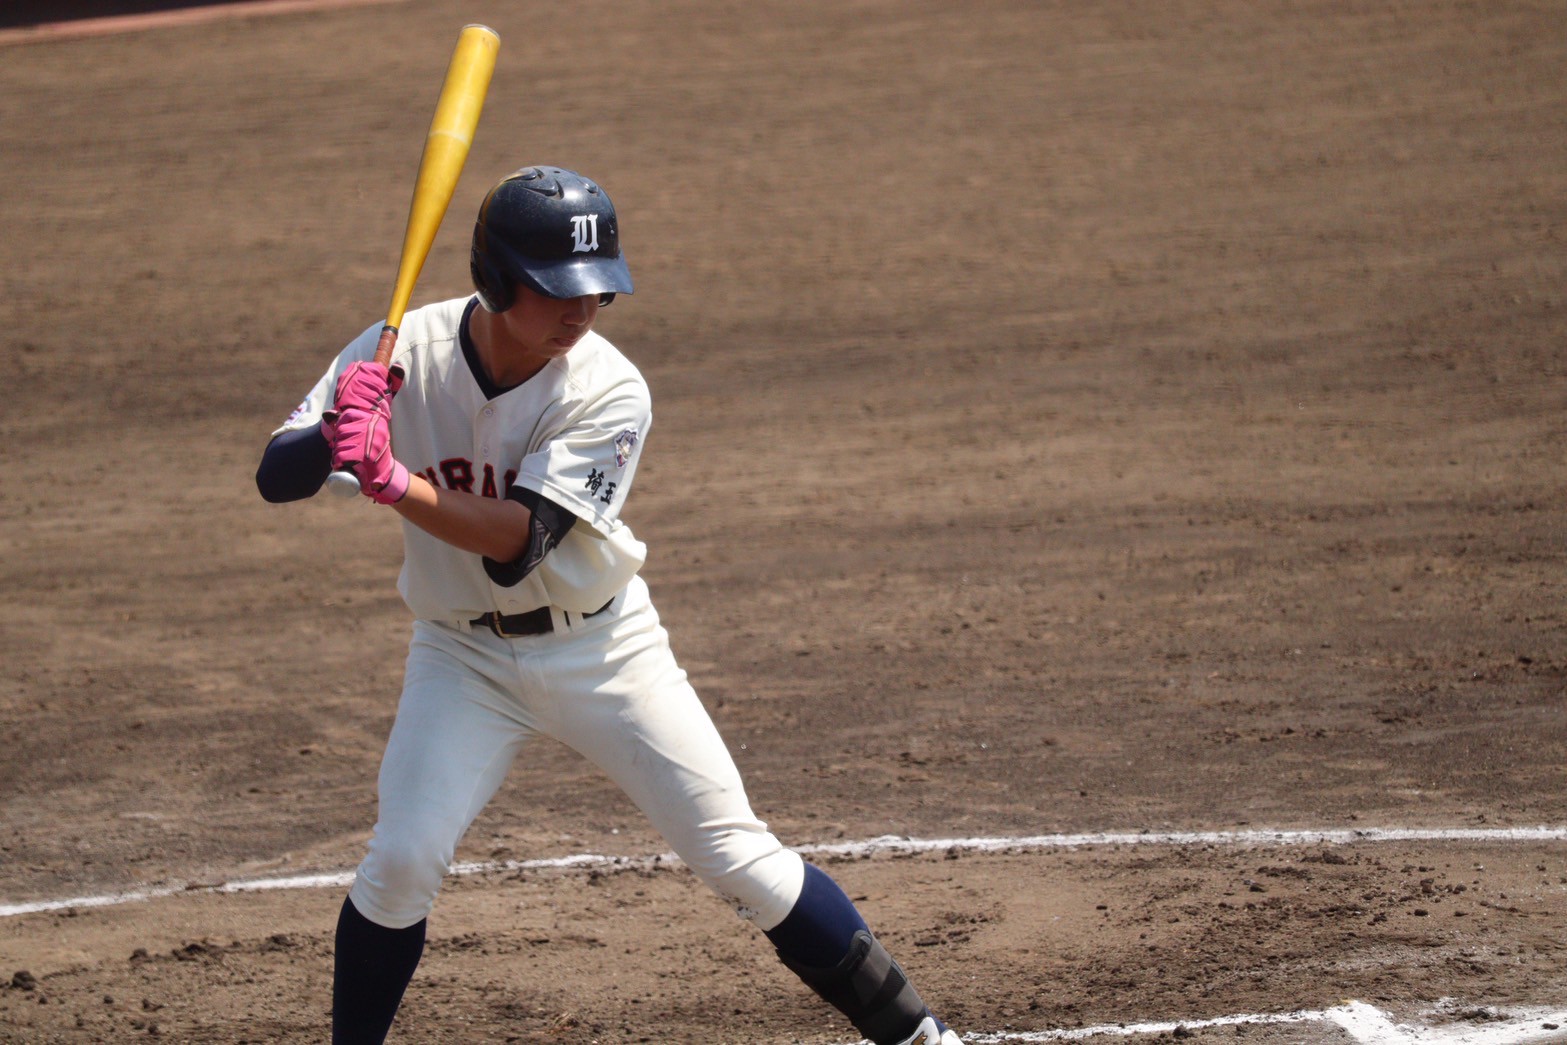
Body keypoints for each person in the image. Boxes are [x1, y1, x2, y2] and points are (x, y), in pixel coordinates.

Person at [256, 164, 962, 1045]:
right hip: (460, 656)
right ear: (495, 279)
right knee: (399, 861)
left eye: (597, 289)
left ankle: (924, 1039)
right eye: (558, 289)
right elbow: (275, 476)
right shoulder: (399, 348)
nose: (582, 310)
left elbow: (518, 546)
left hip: (604, 650)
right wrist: (333, 432)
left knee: (737, 857)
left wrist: (392, 479)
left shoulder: (610, 388)